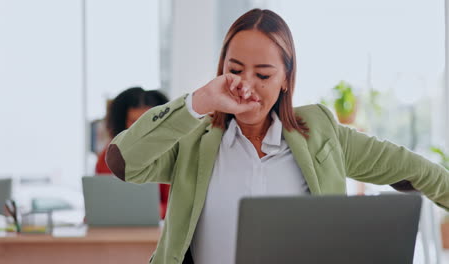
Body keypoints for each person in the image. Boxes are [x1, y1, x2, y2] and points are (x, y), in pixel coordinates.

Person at [105, 9, 449, 264]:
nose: (246, 87)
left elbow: (414, 170)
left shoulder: (320, 134)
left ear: (286, 78)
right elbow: (124, 161)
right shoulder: (195, 138)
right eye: (235, 70)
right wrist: (200, 101)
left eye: (263, 75)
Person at [96, 87, 171, 219]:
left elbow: (179, 205)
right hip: (117, 231)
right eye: (134, 122)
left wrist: (159, 210)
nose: (142, 128)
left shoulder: (171, 155)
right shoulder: (107, 156)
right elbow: (99, 202)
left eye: (149, 120)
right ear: (122, 122)